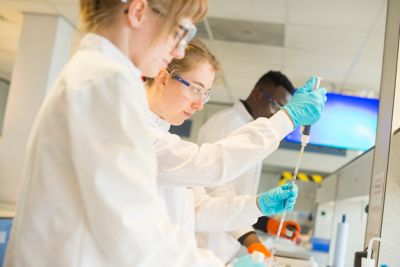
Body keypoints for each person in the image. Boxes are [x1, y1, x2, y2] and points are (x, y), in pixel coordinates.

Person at [4, 1, 241, 266]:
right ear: (138, 12)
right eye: (179, 32)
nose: (179, 50)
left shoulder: (97, 75)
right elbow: (135, 230)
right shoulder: (106, 82)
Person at [146, 35, 326, 263]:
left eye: (206, 93)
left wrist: (258, 206)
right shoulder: (140, 136)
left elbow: (198, 208)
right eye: (195, 89)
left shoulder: (164, 135)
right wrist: (287, 118)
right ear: (163, 78)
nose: (199, 104)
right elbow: (210, 165)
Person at [197, 71, 303, 262]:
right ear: (257, 94)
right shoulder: (225, 124)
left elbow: (239, 195)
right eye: (276, 106)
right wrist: (251, 241)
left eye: (282, 111)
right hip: (204, 245)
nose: (275, 114)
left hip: (224, 245)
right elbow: (216, 189)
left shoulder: (254, 130)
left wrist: (268, 224)